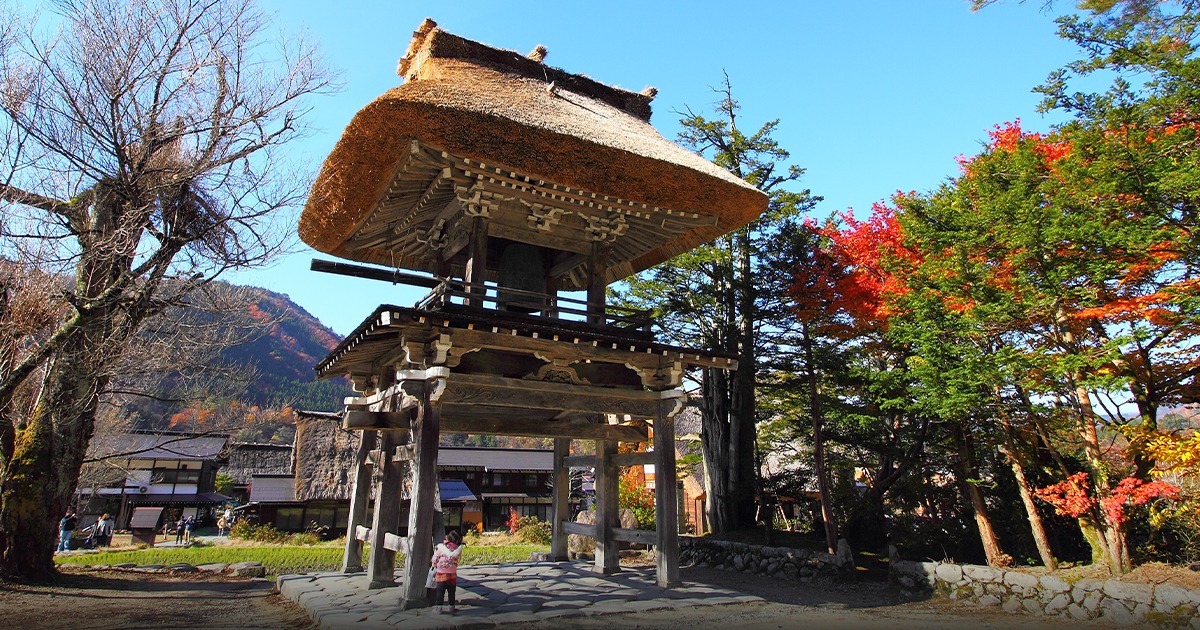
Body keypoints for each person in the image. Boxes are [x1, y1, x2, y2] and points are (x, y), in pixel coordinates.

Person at [430, 530, 464, 614]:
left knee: (440, 592)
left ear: (448, 538)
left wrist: (434, 564)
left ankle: (439, 609)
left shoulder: (441, 547)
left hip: (441, 574)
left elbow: (435, 558)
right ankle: (451, 607)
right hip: (452, 574)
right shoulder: (458, 550)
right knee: (451, 592)